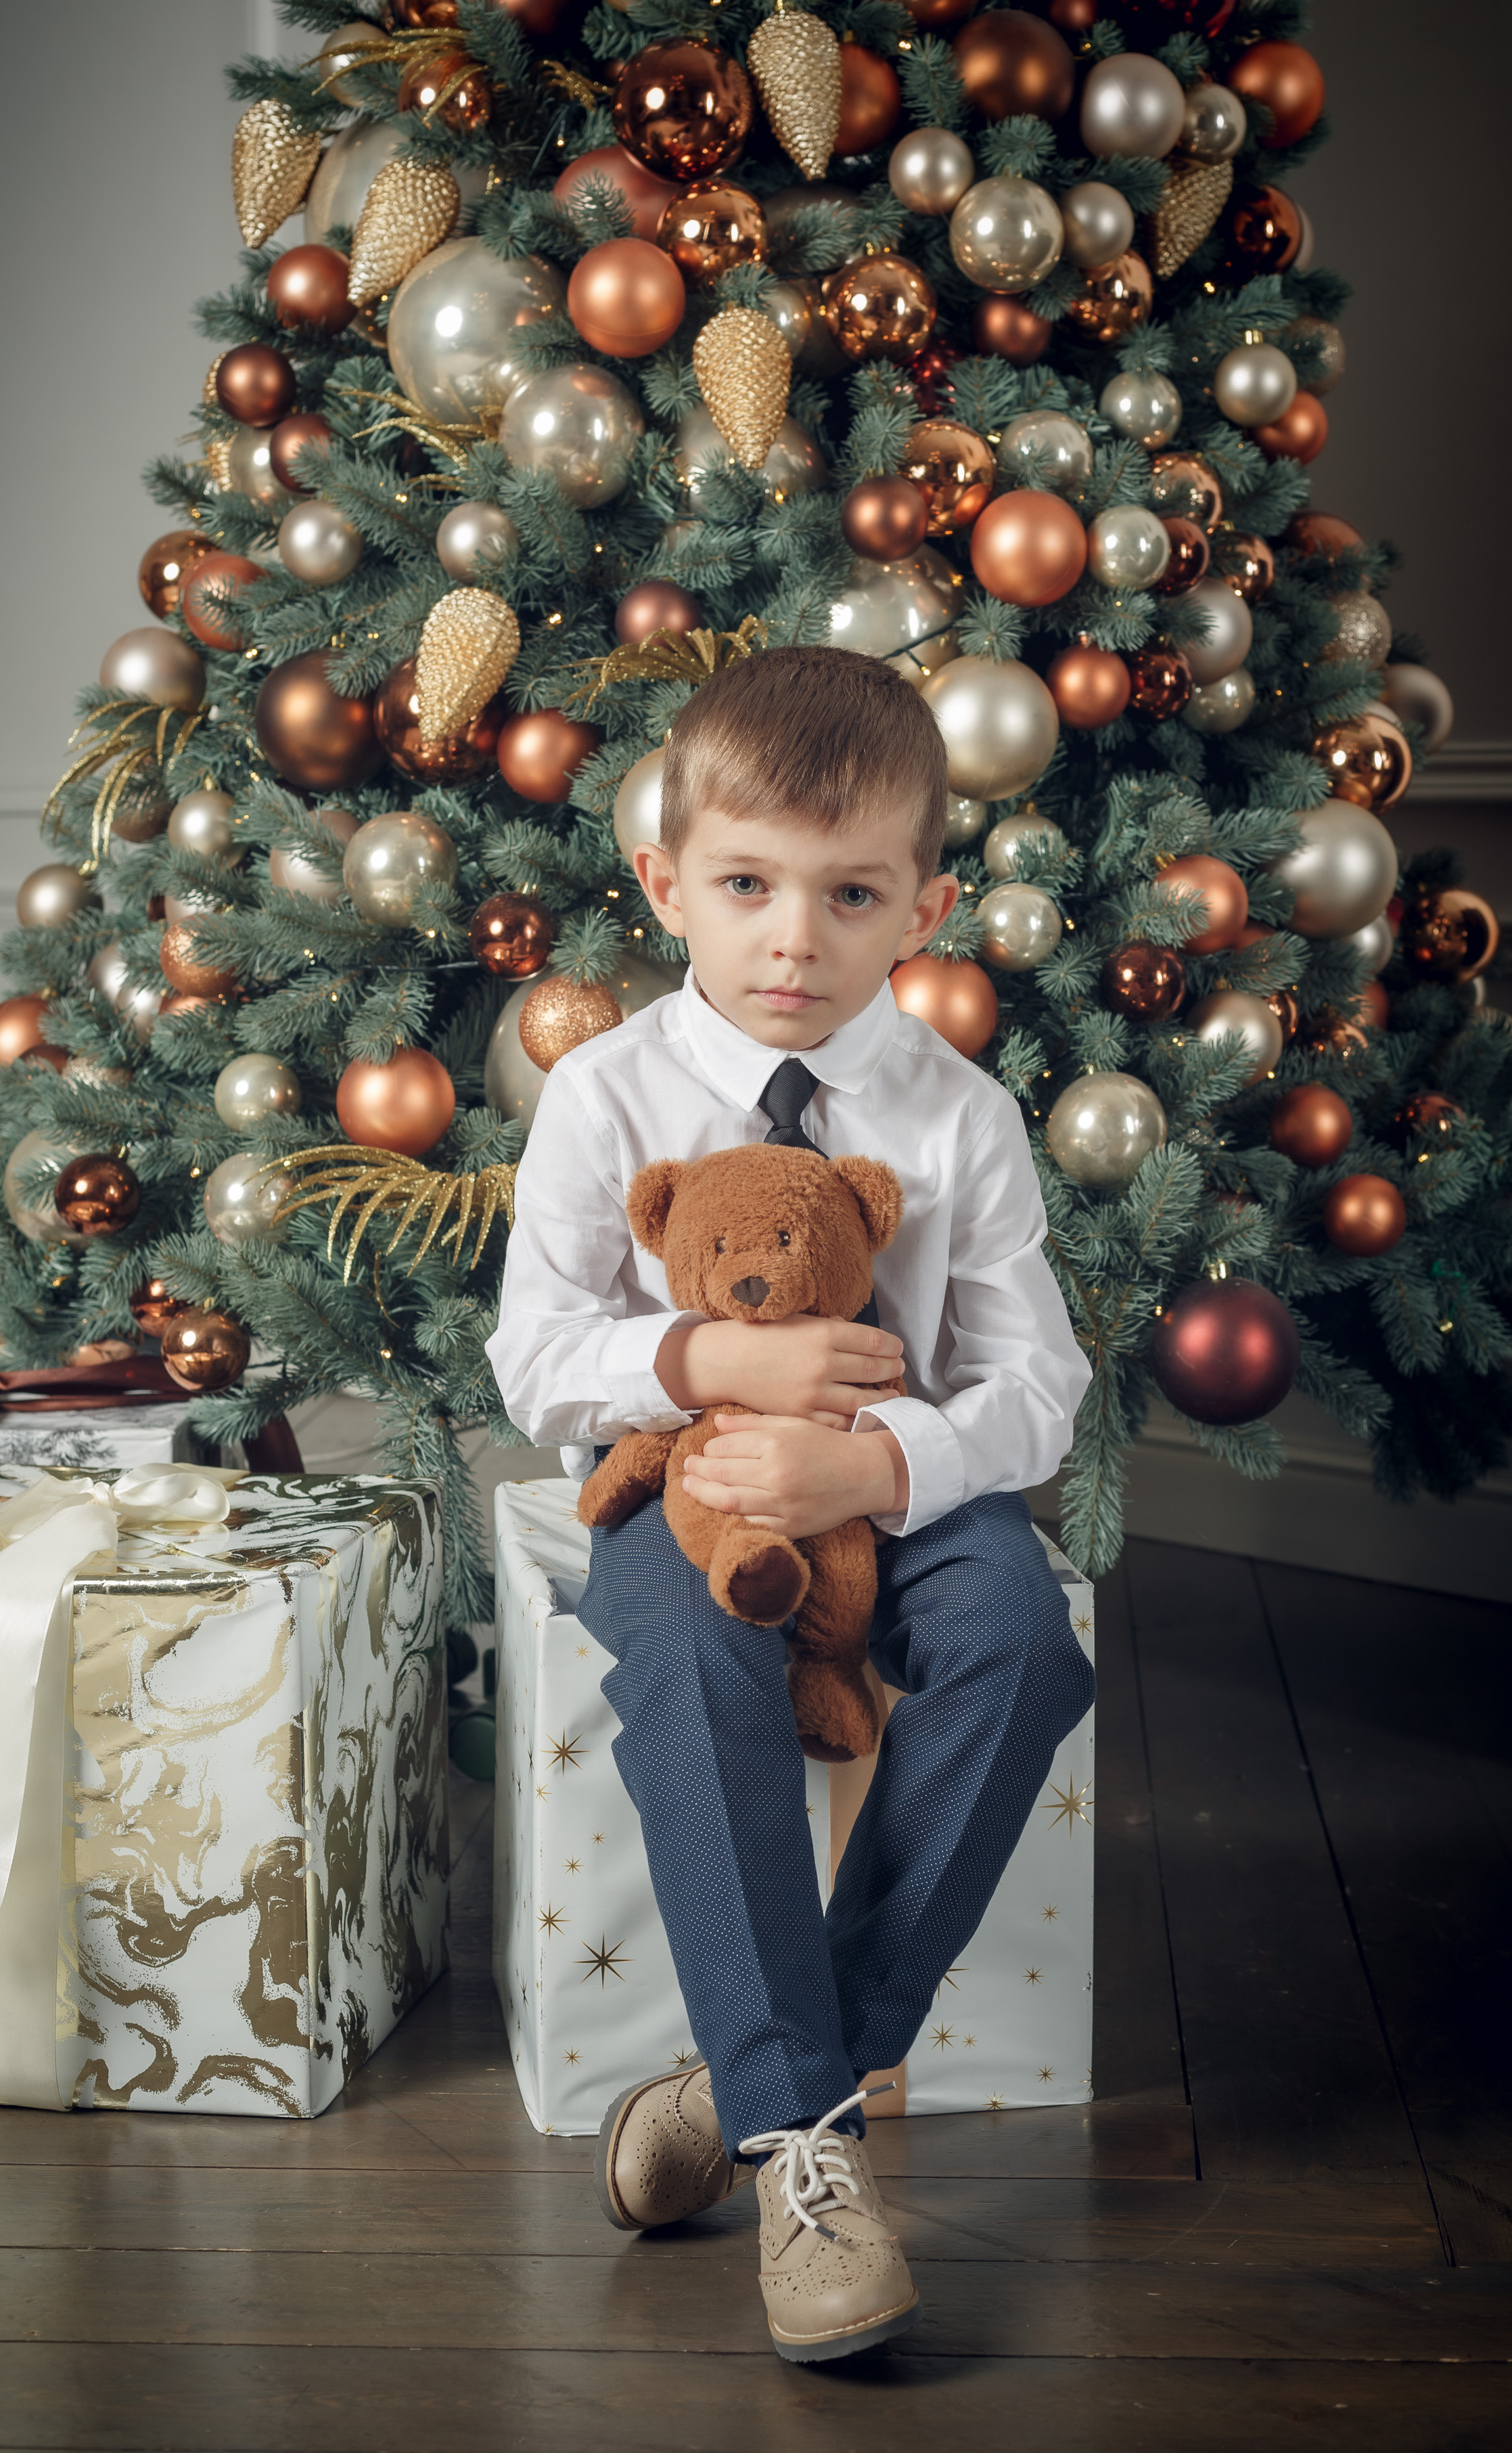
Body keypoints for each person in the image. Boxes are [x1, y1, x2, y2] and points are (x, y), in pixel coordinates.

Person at [488, 643, 1095, 2364]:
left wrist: (879, 1466)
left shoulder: (959, 1121)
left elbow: (1034, 1386)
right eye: (745, 886)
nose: (790, 940)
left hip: (898, 1486)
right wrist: (712, 1371)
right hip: (689, 1492)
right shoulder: (605, 1098)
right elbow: (535, 1360)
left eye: (847, 895)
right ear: (664, 878)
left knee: (1018, 1649)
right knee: (691, 1670)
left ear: (921, 905)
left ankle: (755, 2076)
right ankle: (806, 2155)